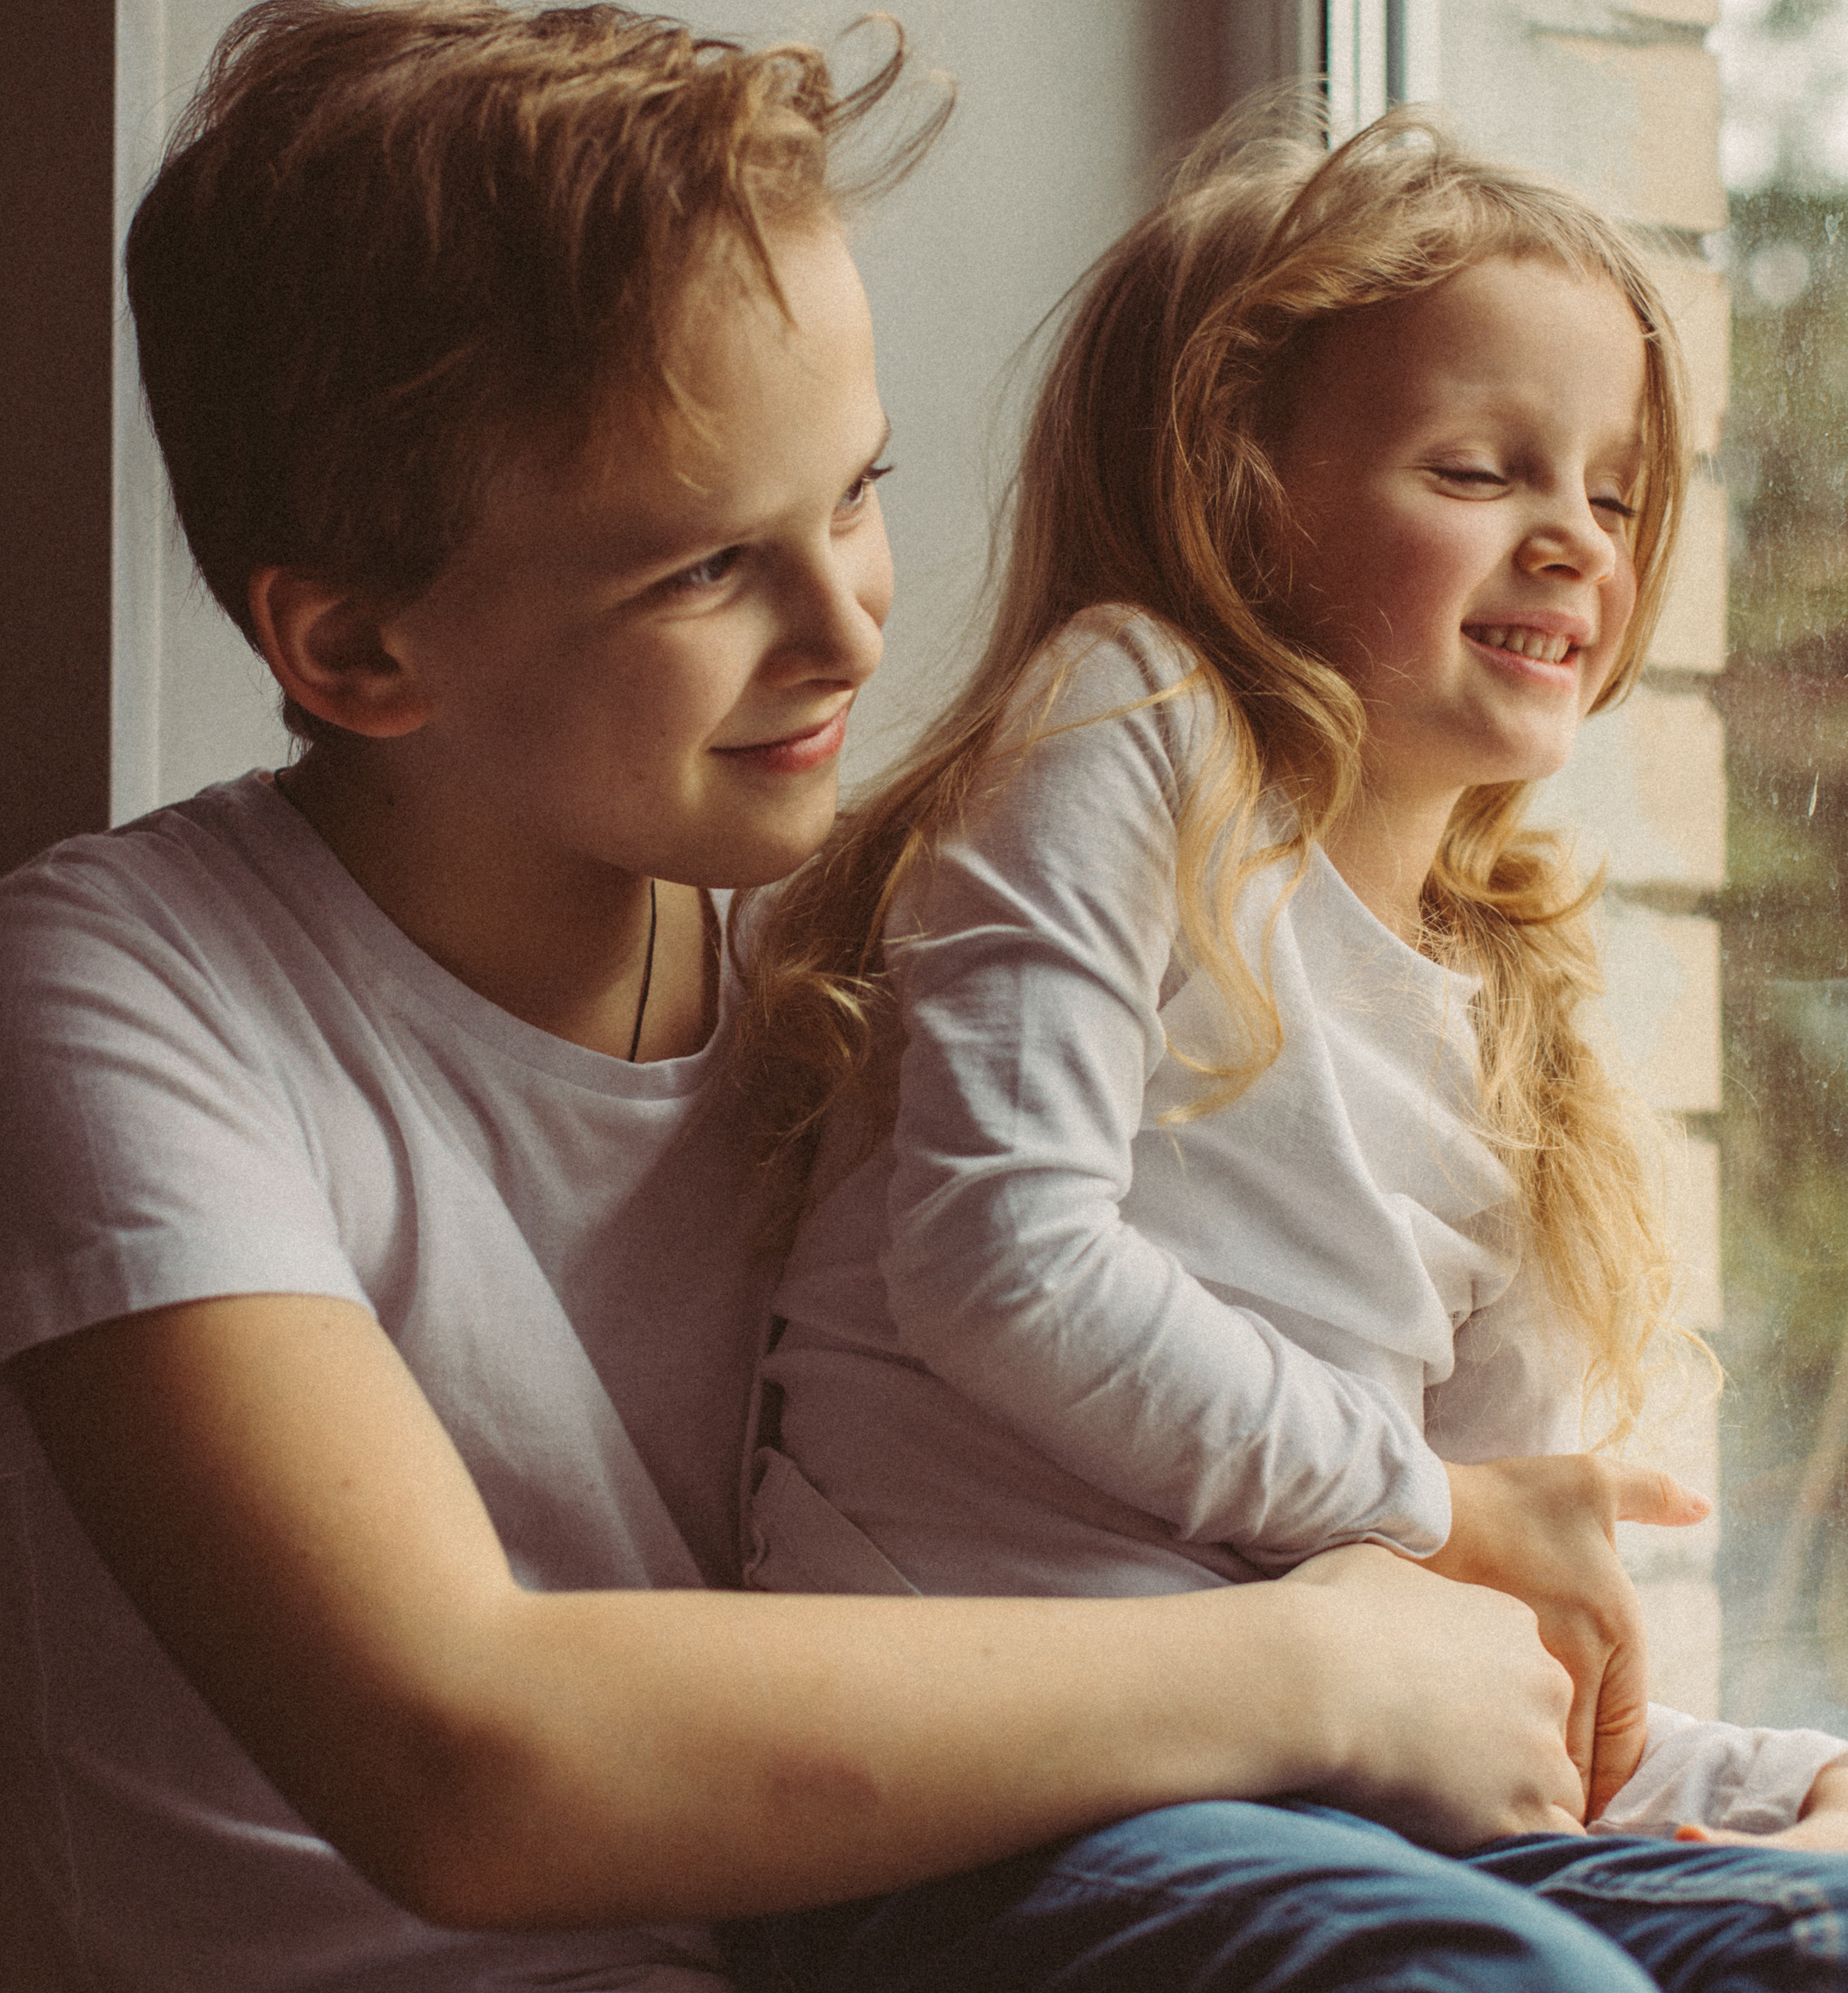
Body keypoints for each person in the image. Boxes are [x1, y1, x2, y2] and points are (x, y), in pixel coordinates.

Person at [0, 10, 1606, 1992]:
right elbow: (470, 1756)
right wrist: (1317, 1658)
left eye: (855, 490)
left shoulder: (879, 961)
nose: (852, 623)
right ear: (349, 642)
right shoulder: (121, 993)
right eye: (701, 571)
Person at [736, 107, 1848, 1988]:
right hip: (988, 1819)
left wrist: (1796, 1777)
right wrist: (1433, 1506)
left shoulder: (1511, 1024)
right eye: (1481, 467)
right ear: (1236, 487)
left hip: (1346, 1797)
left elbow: (1510, 1669)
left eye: (1615, 490)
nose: (1571, 535)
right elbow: (998, 1259)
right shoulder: (1134, 720)